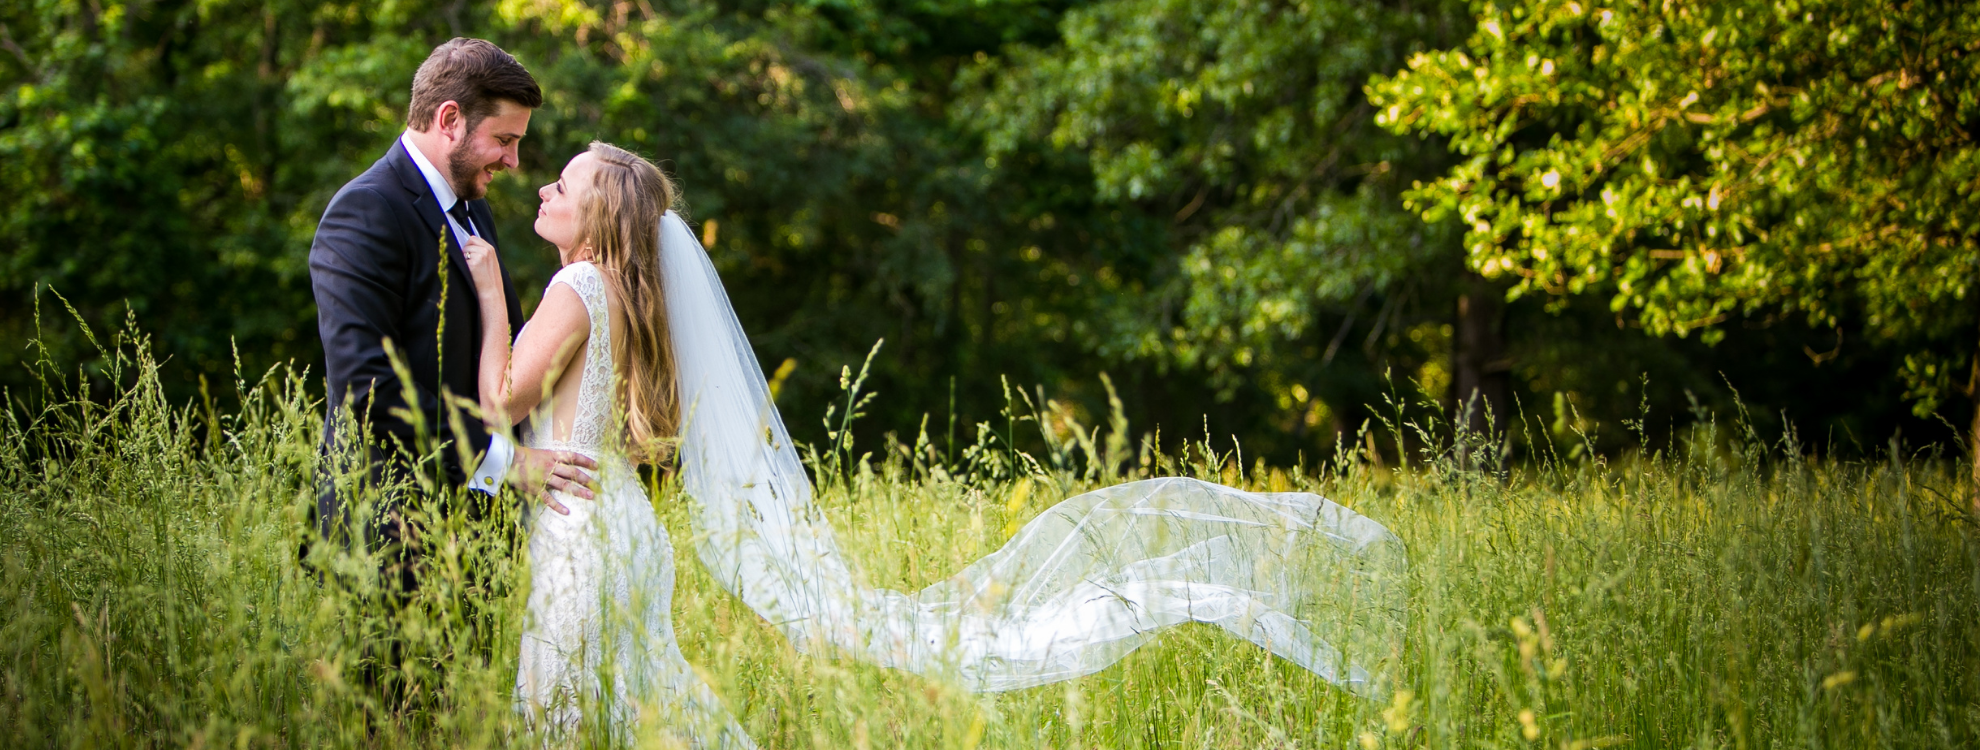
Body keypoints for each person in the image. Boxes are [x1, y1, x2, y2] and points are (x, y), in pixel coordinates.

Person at [463, 142, 1409, 746]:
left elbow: (502, 399)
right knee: (627, 717)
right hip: (618, 529)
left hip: (584, 532)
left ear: (600, 220)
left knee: (565, 719)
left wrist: (489, 289)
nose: (544, 184)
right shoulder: (618, 298)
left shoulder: (569, 290)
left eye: (567, 183)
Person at [306, 38, 598, 710]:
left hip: (472, 540)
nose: (514, 161)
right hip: (387, 539)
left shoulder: (473, 207)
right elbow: (364, 389)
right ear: (448, 120)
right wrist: (505, 461)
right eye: (504, 139)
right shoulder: (365, 214)